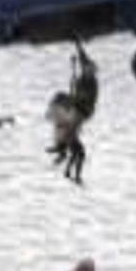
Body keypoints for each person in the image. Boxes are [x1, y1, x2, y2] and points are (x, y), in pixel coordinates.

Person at [46, 46, 99, 183]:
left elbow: (86, 96)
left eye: (88, 70)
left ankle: (62, 150)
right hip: (76, 105)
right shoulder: (84, 75)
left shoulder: (92, 83)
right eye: (86, 69)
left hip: (83, 109)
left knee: (71, 128)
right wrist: (79, 46)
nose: (86, 71)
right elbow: (83, 59)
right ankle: (62, 149)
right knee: (59, 100)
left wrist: (76, 89)